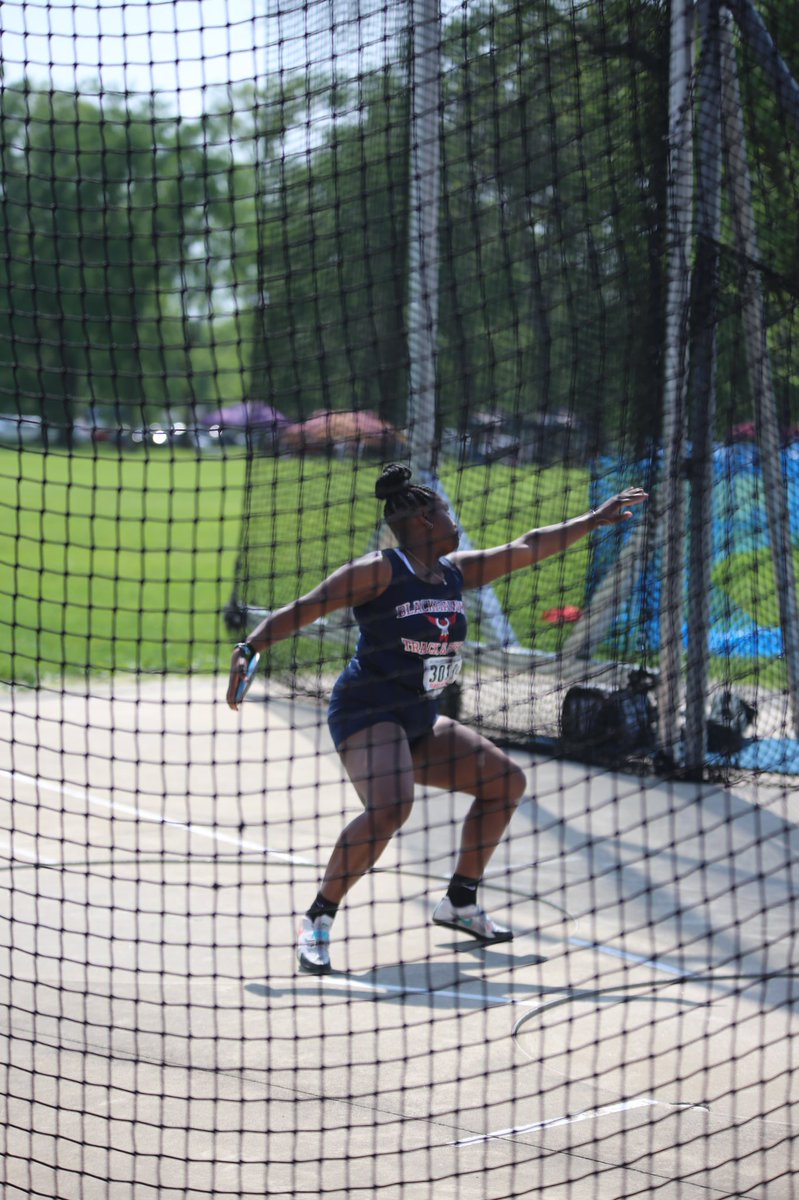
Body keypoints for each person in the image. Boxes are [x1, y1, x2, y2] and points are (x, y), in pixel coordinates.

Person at [226, 463, 647, 974]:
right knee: (391, 808)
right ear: (425, 520)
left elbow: (528, 546)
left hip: (419, 719)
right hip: (367, 712)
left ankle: (460, 902)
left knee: (505, 782)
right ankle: (318, 918)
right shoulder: (380, 570)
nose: (454, 521)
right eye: (446, 512)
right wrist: (250, 647)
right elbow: (308, 606)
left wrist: (594, 520)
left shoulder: (454, 573)